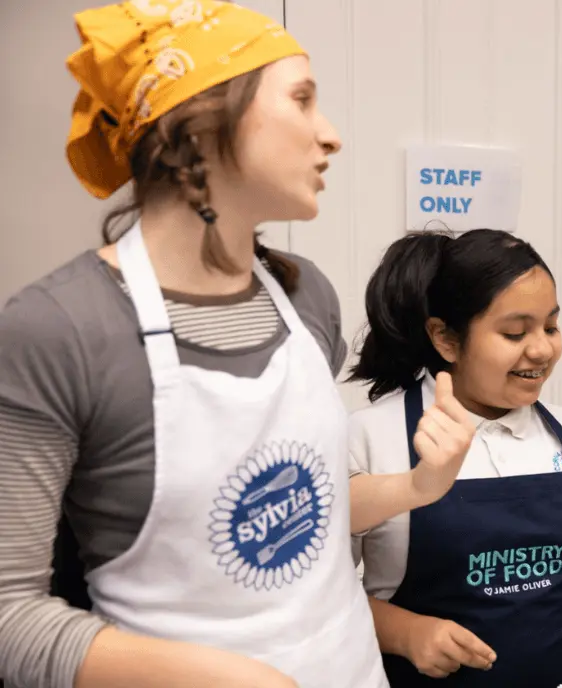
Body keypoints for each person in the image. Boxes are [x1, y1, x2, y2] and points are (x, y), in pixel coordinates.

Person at [0, 3, 463, 686]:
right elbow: (11, 618)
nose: (329, 135)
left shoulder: (308, 299)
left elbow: (293, 509)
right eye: (302, 100)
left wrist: (419, 486)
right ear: (202, 122)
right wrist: (228, 677)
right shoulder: (60, 329)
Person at [346, 229, 562, 687]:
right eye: (514, 332)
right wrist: (403, 632)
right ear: (445, 339)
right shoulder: (374, 435)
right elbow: (312, 594)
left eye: (551, 326)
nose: (543, 349)